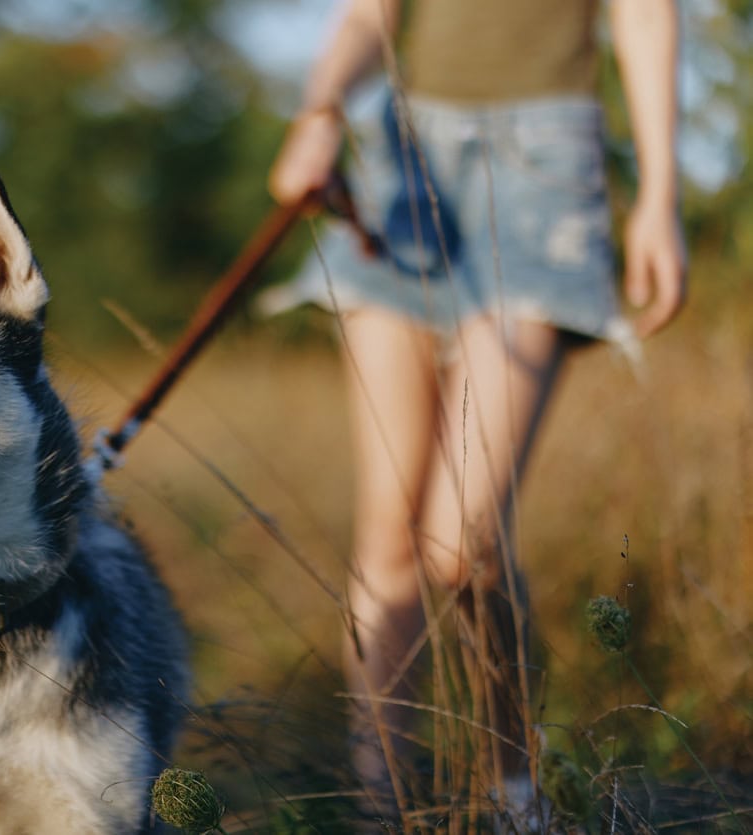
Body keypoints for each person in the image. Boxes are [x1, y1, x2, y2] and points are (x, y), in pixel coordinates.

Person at [266, 0, 686, 819]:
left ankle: (511, 788)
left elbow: (643, 14)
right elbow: (367, 12)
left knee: (462, 543)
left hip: (544, 165)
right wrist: (319, 110)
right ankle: (383, 804)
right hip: (404, 158)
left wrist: (660, 194)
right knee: (387, 533)